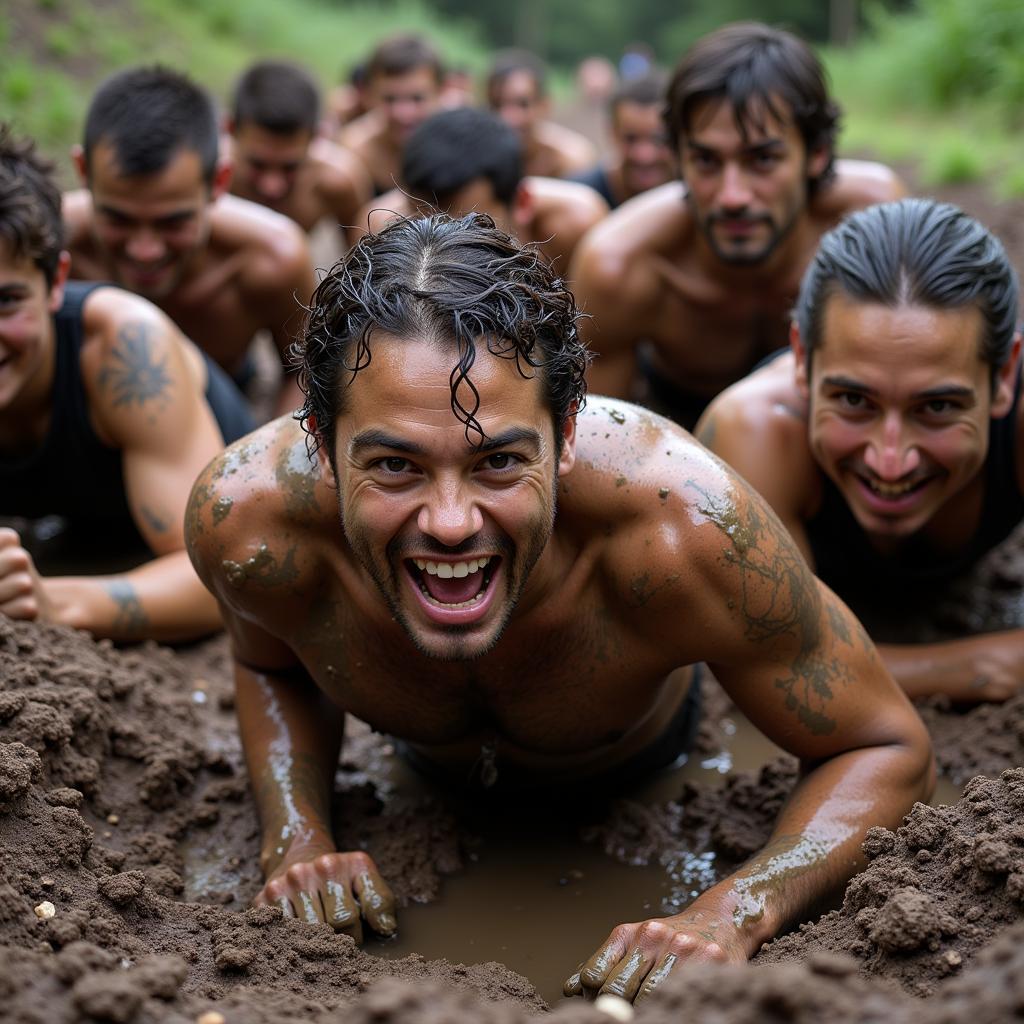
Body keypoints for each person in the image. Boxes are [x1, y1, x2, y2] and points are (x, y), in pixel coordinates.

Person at [185, 213, 933, 1003]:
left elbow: (884, 746)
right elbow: (268, 661)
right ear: (323, 444)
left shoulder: (685, 531)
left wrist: (734, 910)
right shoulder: (248, 523)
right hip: (420, 775)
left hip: (639, 766)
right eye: (396, 466)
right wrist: (296, 835)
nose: (449, 521)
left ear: (566, 434)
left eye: (499, 461)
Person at [698, 198, 1024, 703]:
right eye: (854, 401)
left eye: (936, 407)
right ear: (802, 359)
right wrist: (982, 664)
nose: (889, 461)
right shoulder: (756, 432)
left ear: (1004, 375)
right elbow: (774, 667)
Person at [570, 21, 906, 429]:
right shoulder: (621, 265)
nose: (732, 196)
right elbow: (589, 441)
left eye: (762, 159)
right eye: (707, 161)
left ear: (816, 153)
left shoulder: (871, 226)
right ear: (678, 157)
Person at [0, 125, 253, 642]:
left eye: (6, 302)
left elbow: (215, 579)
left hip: (217, 495)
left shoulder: (125, 348)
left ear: (55, 284)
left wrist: (57, 602)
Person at [62, 65, 315, 418]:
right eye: (118, 219)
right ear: (84, 173)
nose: (144, 250)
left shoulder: (273, 259)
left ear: (218, 183)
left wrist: (274, 455)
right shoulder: (47, 246)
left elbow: (308, 373)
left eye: (173, 222)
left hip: (217, 408)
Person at [355, 106, 608, 272]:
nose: (443, 246)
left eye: (468, 226)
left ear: (522, 203)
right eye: (424, 224)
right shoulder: (379, 229)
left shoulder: (575, 226)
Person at [226, 60, 372, 249]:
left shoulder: (338, 181)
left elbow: (363, 259)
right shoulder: (207, 171)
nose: (272, 186)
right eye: (257, 164)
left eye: (290, 167)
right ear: (230, 129)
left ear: (318, 136)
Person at [337, 34, 444, 196]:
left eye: (417, 98)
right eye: (390, 99)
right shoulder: (353, 151)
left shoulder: (456, 147)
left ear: (440, 93)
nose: (403, 113)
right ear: (369, 95)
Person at [569, 71, 676, 209]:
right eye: (631, 139)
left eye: (659, 139)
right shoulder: (577, 199)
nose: (644, 156)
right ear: (612, 133)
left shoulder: (696, 195)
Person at [487, 50, 597, 180]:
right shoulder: (481, 157)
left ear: (544, 105)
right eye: (498, 104)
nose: (508, 117)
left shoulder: (572, 159)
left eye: (523, 104)